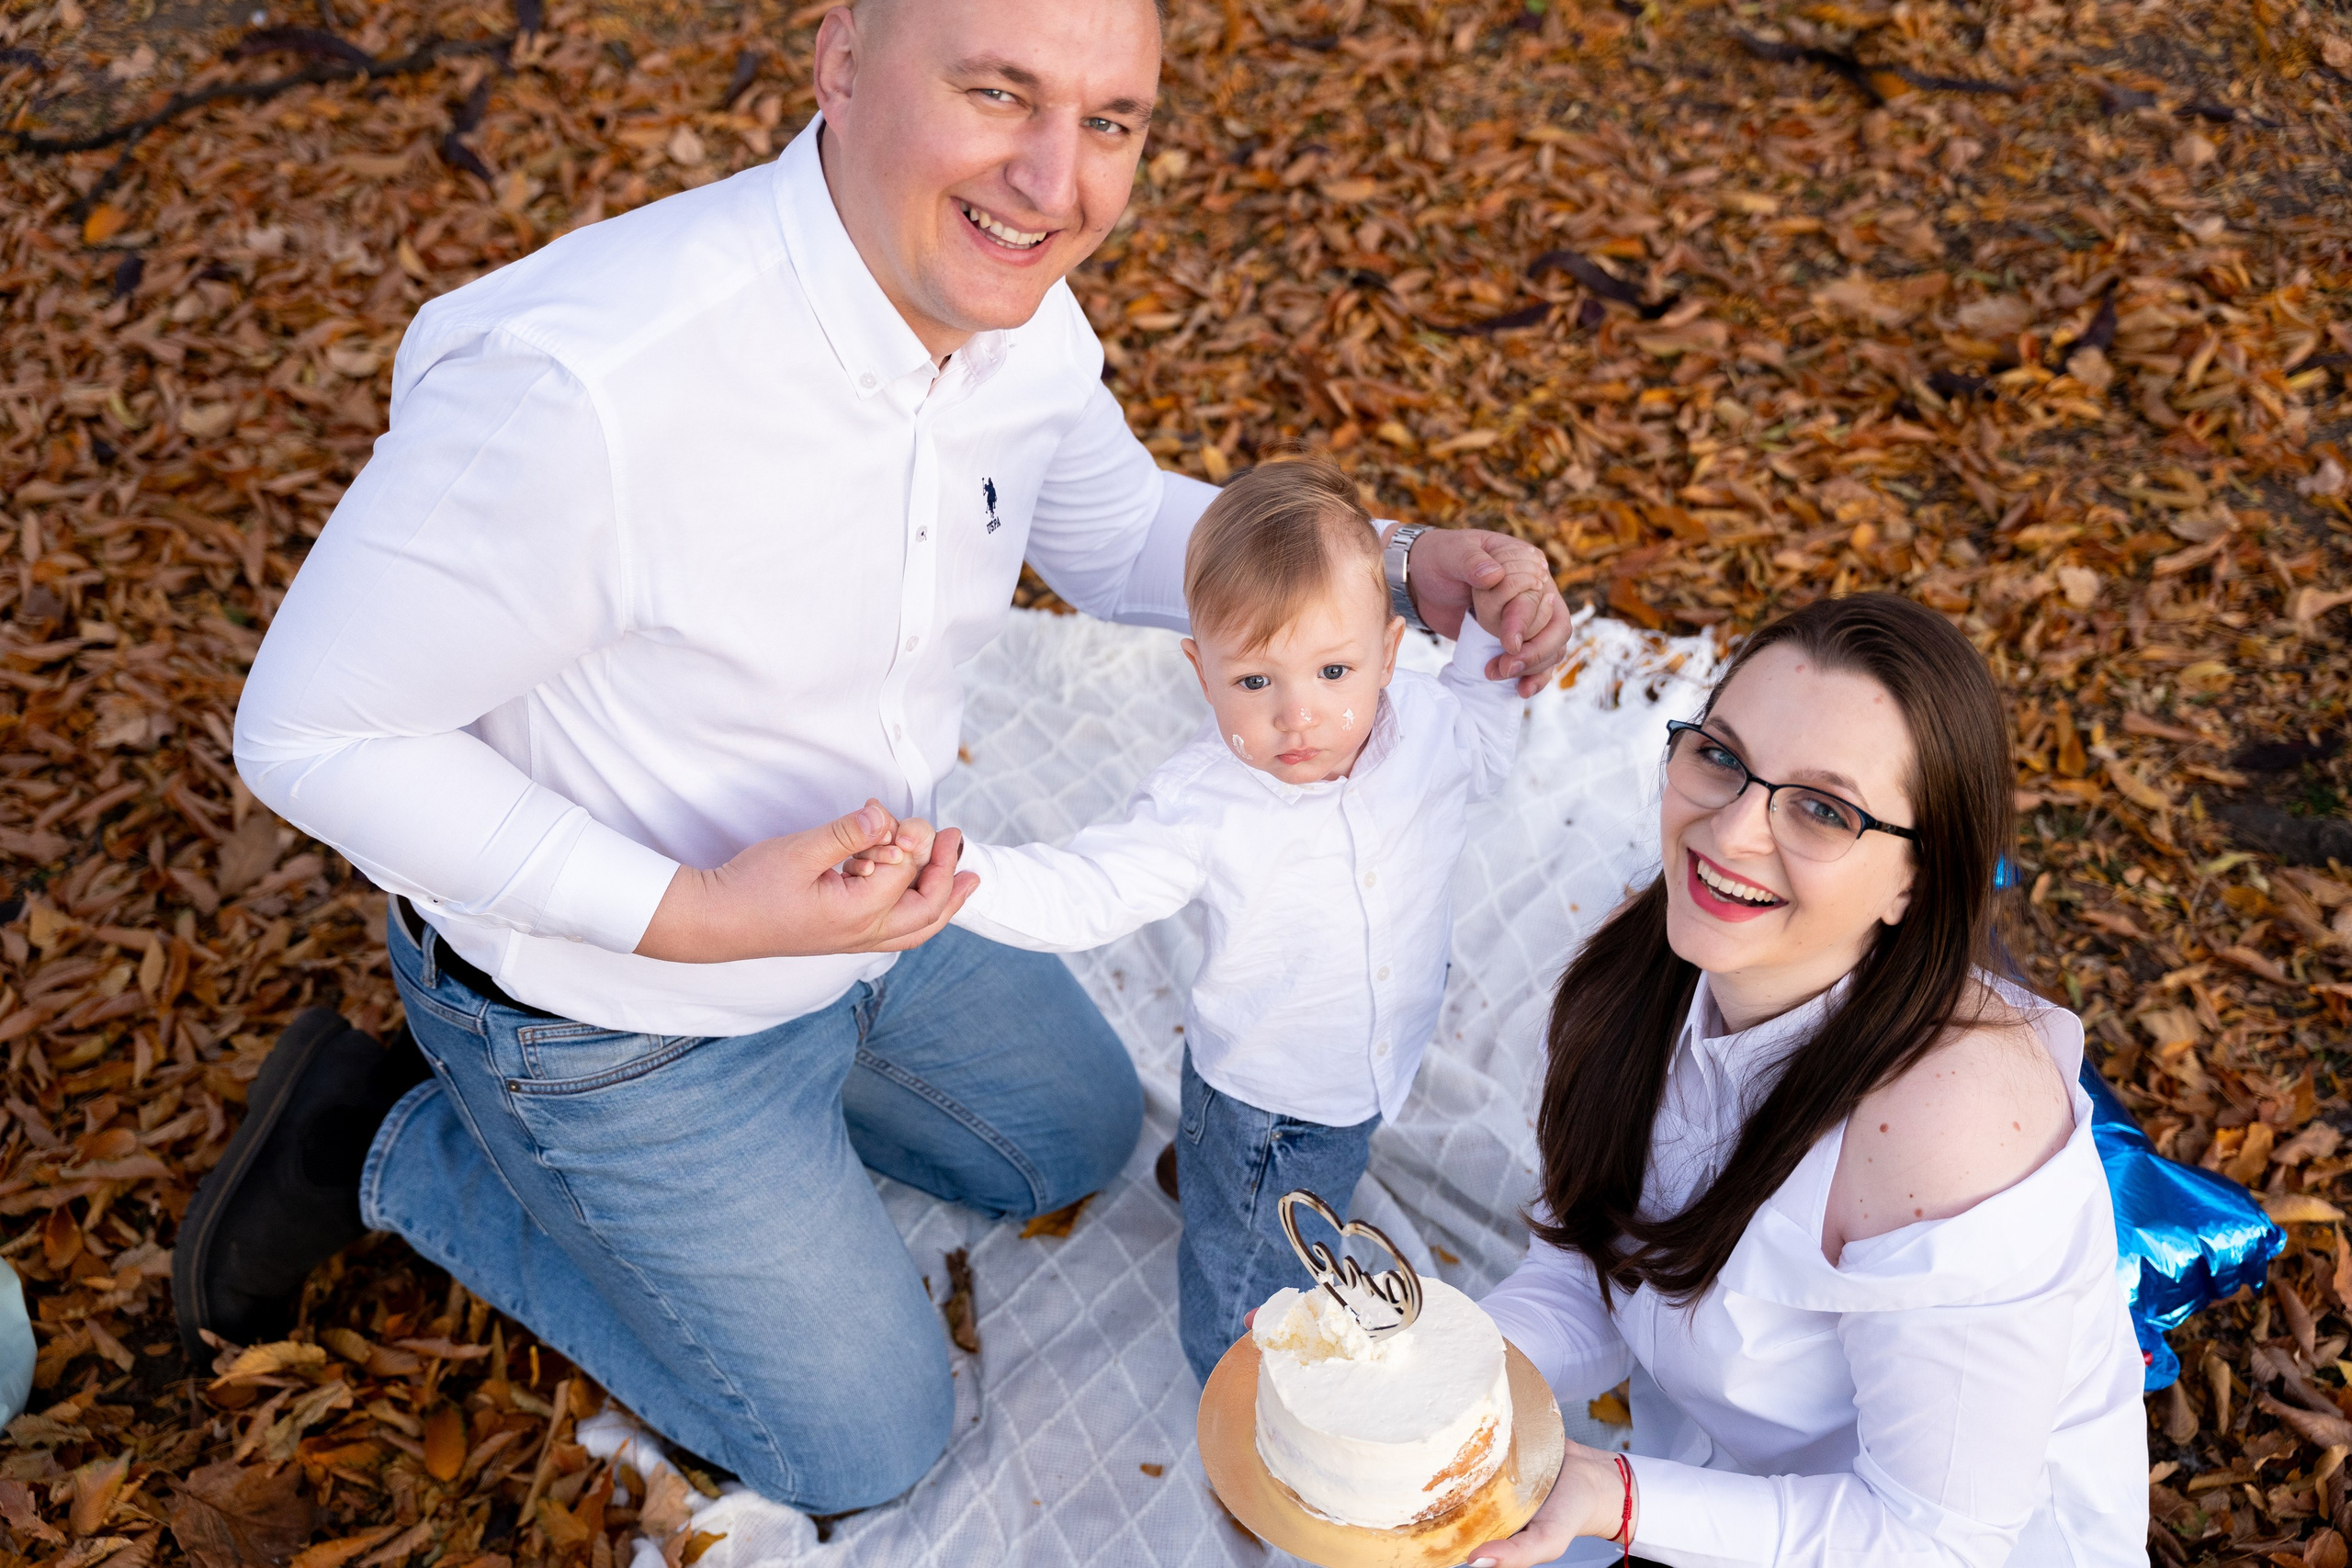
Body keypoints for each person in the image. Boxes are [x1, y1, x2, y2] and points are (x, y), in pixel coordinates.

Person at [180, 0, 1573, 1514]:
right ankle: (393, 1138)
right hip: (619, 1009)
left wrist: (1394, 565)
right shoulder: (587, 389)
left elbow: (1113, 531)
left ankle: (775, 1146)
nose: (1058, 183)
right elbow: (311, 731)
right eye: (999, 94)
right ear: (842, 60)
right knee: (868, 1446)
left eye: (1111, 122)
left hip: (878, 916)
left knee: (1079, 1140)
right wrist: (707, 911)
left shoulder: (1005, 304)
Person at [1461, 592, 2147, 1567]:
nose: (1732, 831)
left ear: (1918, 879)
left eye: (1823, 809)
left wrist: (1617, 1496)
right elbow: (1593, 1264)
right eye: (1720, 757)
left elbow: (1938, 1542)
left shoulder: (1947, 1125)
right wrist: (1444, 1369)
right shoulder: (1648, 970)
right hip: (1707, 1501)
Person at [933, 458, 1525, 1382]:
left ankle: (1201, 1180)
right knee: (1253, 1272)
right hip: (1270, 1102)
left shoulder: (1429, 732)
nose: (1299, 715)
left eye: (1334, 669)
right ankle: (1235, 1377)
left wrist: (1498, 649)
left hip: (1377, 1054)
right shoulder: (1200, 806)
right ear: (1198, 667)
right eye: (1253, 681)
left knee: (1290, 1176)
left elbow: (1485, 745)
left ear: (1391, 650)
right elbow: (1089, 888)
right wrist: (958, 871)